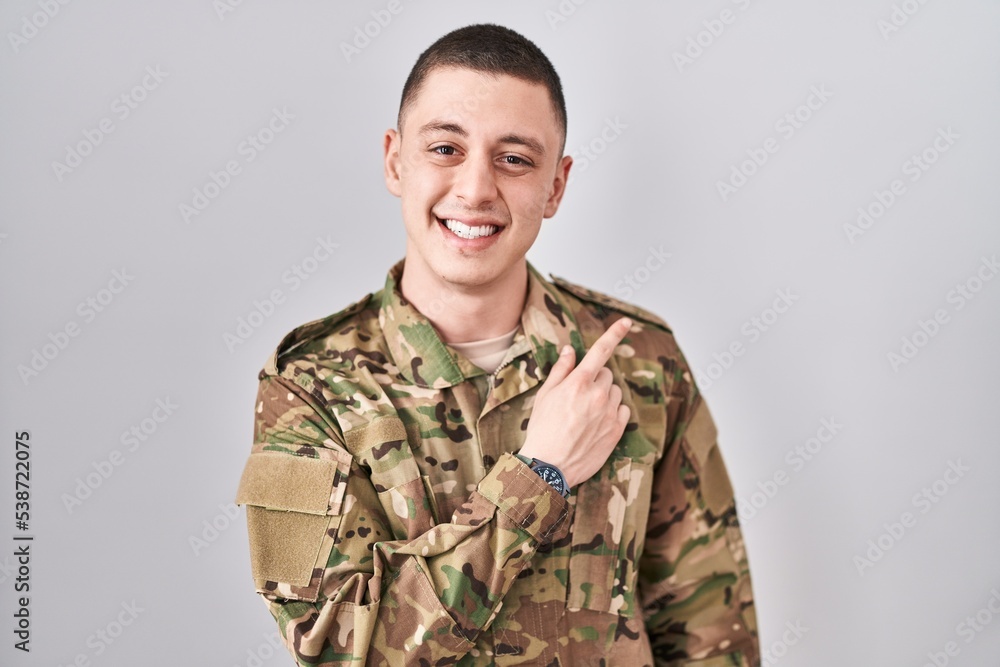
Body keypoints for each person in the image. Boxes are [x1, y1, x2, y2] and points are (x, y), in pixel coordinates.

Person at [235, 23, 760, 667]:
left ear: (557, 186)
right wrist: (540, 477)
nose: (477, 188)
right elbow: (346, 647)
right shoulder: (308, 387)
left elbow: (712, 630)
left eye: (514, 158)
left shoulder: (639, 360)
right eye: (446, 148)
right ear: (396, 160)